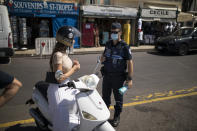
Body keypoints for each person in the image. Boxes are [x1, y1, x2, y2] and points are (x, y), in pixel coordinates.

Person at [47, 26, 81, 131]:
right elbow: (59, 77)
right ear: (66, 39)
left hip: (66, 87)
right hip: (58, 89)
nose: (74, 40)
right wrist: (74, 69)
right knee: (61, 124)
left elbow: (65, 71)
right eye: (72, 38)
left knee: (72, 117)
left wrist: (73, 65)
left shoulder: (64, 53)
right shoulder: (58, 55)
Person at [100, 22, 133, 127]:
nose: (113, 34)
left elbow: (130, 62)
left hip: (118, 78)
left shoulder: (124, 46)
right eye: (112, 32)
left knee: (118, 99)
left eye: (115, 32)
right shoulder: (108, 43)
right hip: (107, 76)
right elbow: (103, 56)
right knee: (105, 98)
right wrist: (101, 58)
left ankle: (117, 116)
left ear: (121, 33)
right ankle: (104, 116)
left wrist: (130, 79)